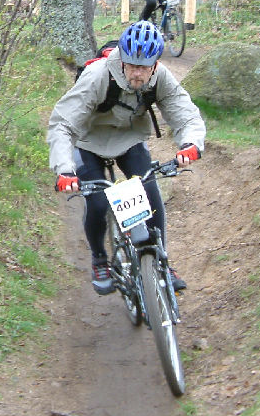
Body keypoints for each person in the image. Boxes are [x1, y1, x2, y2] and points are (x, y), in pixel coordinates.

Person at [47, 20, 205, 295]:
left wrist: (190, 143)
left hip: (129, 138)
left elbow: (185, 113)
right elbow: (63, 124)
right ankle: (99, 259)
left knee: (149, 193)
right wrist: (65, 170)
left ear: (155, 64)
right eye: (131, 65)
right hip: (88, 141)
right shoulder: (97, 75)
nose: (136, 73)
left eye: (144, 67)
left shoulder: (161, 77)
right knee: (97, 203)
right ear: (122, 59)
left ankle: (160, 260)